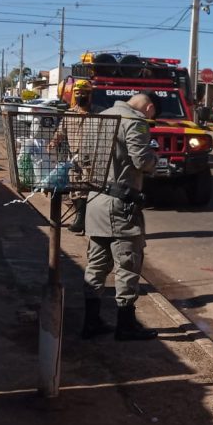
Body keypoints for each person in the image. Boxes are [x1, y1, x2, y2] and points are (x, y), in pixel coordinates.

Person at [81, 93, 159, 340]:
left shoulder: (97, 118)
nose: (150, 118)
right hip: (120, 205)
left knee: (96, 265)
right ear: (149, 107)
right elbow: (142, 161)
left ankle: (90, 322)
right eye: (151, 114)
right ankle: (126, 326)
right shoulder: (134, 122)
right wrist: (155, 159)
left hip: (94, 201)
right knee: (127, 264)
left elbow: (83, 157)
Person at [56, 80, 94, 234]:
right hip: (74, 159)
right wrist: (53, 142)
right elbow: (60, 132)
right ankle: (80, 218)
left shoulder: (98, 114)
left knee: (85, 189)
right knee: (74, 189)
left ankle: (81, 220)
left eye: (84, 93)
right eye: (78, 93)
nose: (80, 96)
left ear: (90, 95)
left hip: (91, 159)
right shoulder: (69, 114)